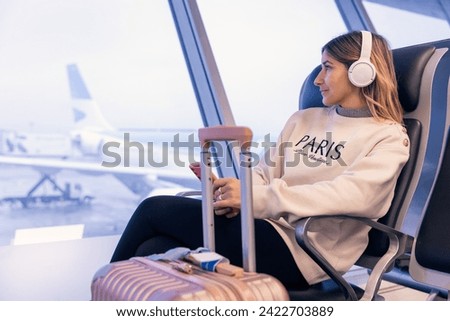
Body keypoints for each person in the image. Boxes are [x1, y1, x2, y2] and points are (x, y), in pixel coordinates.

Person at [110, 30, 410, 290]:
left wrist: (256, 198)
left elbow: (356, 196)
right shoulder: (304, 119)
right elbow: (264, 174)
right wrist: (234, 190)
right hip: (265, 227)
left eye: (327, 67)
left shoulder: (388, 137)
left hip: (306, 250)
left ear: (362, 72)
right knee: (154, 248)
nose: (317, 79)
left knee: (154, 209)